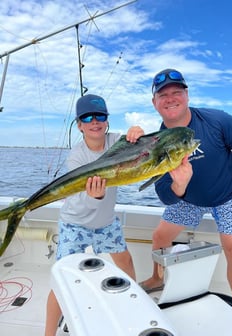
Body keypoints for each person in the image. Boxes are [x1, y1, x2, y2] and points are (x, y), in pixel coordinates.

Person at [139, 68, 232, 304]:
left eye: (177, 92)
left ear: (187, 95)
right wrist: (179, 186)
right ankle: (158, 277)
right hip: (189, 199)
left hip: (229, 194)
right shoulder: (155, 143)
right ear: (154, 102)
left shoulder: (217, 120)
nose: (170, 98)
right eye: (163, 95)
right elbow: (166, 197)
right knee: (160, 236)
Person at [44, 93, 143, 336]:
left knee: (126, 262)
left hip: (106, 222)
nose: (94, 121)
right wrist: (95, 197)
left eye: (100, 116)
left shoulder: (118, 143)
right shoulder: (77, 156)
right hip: (75, 223)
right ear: (79, 125)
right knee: (63, 279)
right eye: (87, 117)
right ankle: (47, 333)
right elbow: (79, 200)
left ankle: (133, 307)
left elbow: (142, 142)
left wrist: (138, 131)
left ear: (107, 120)